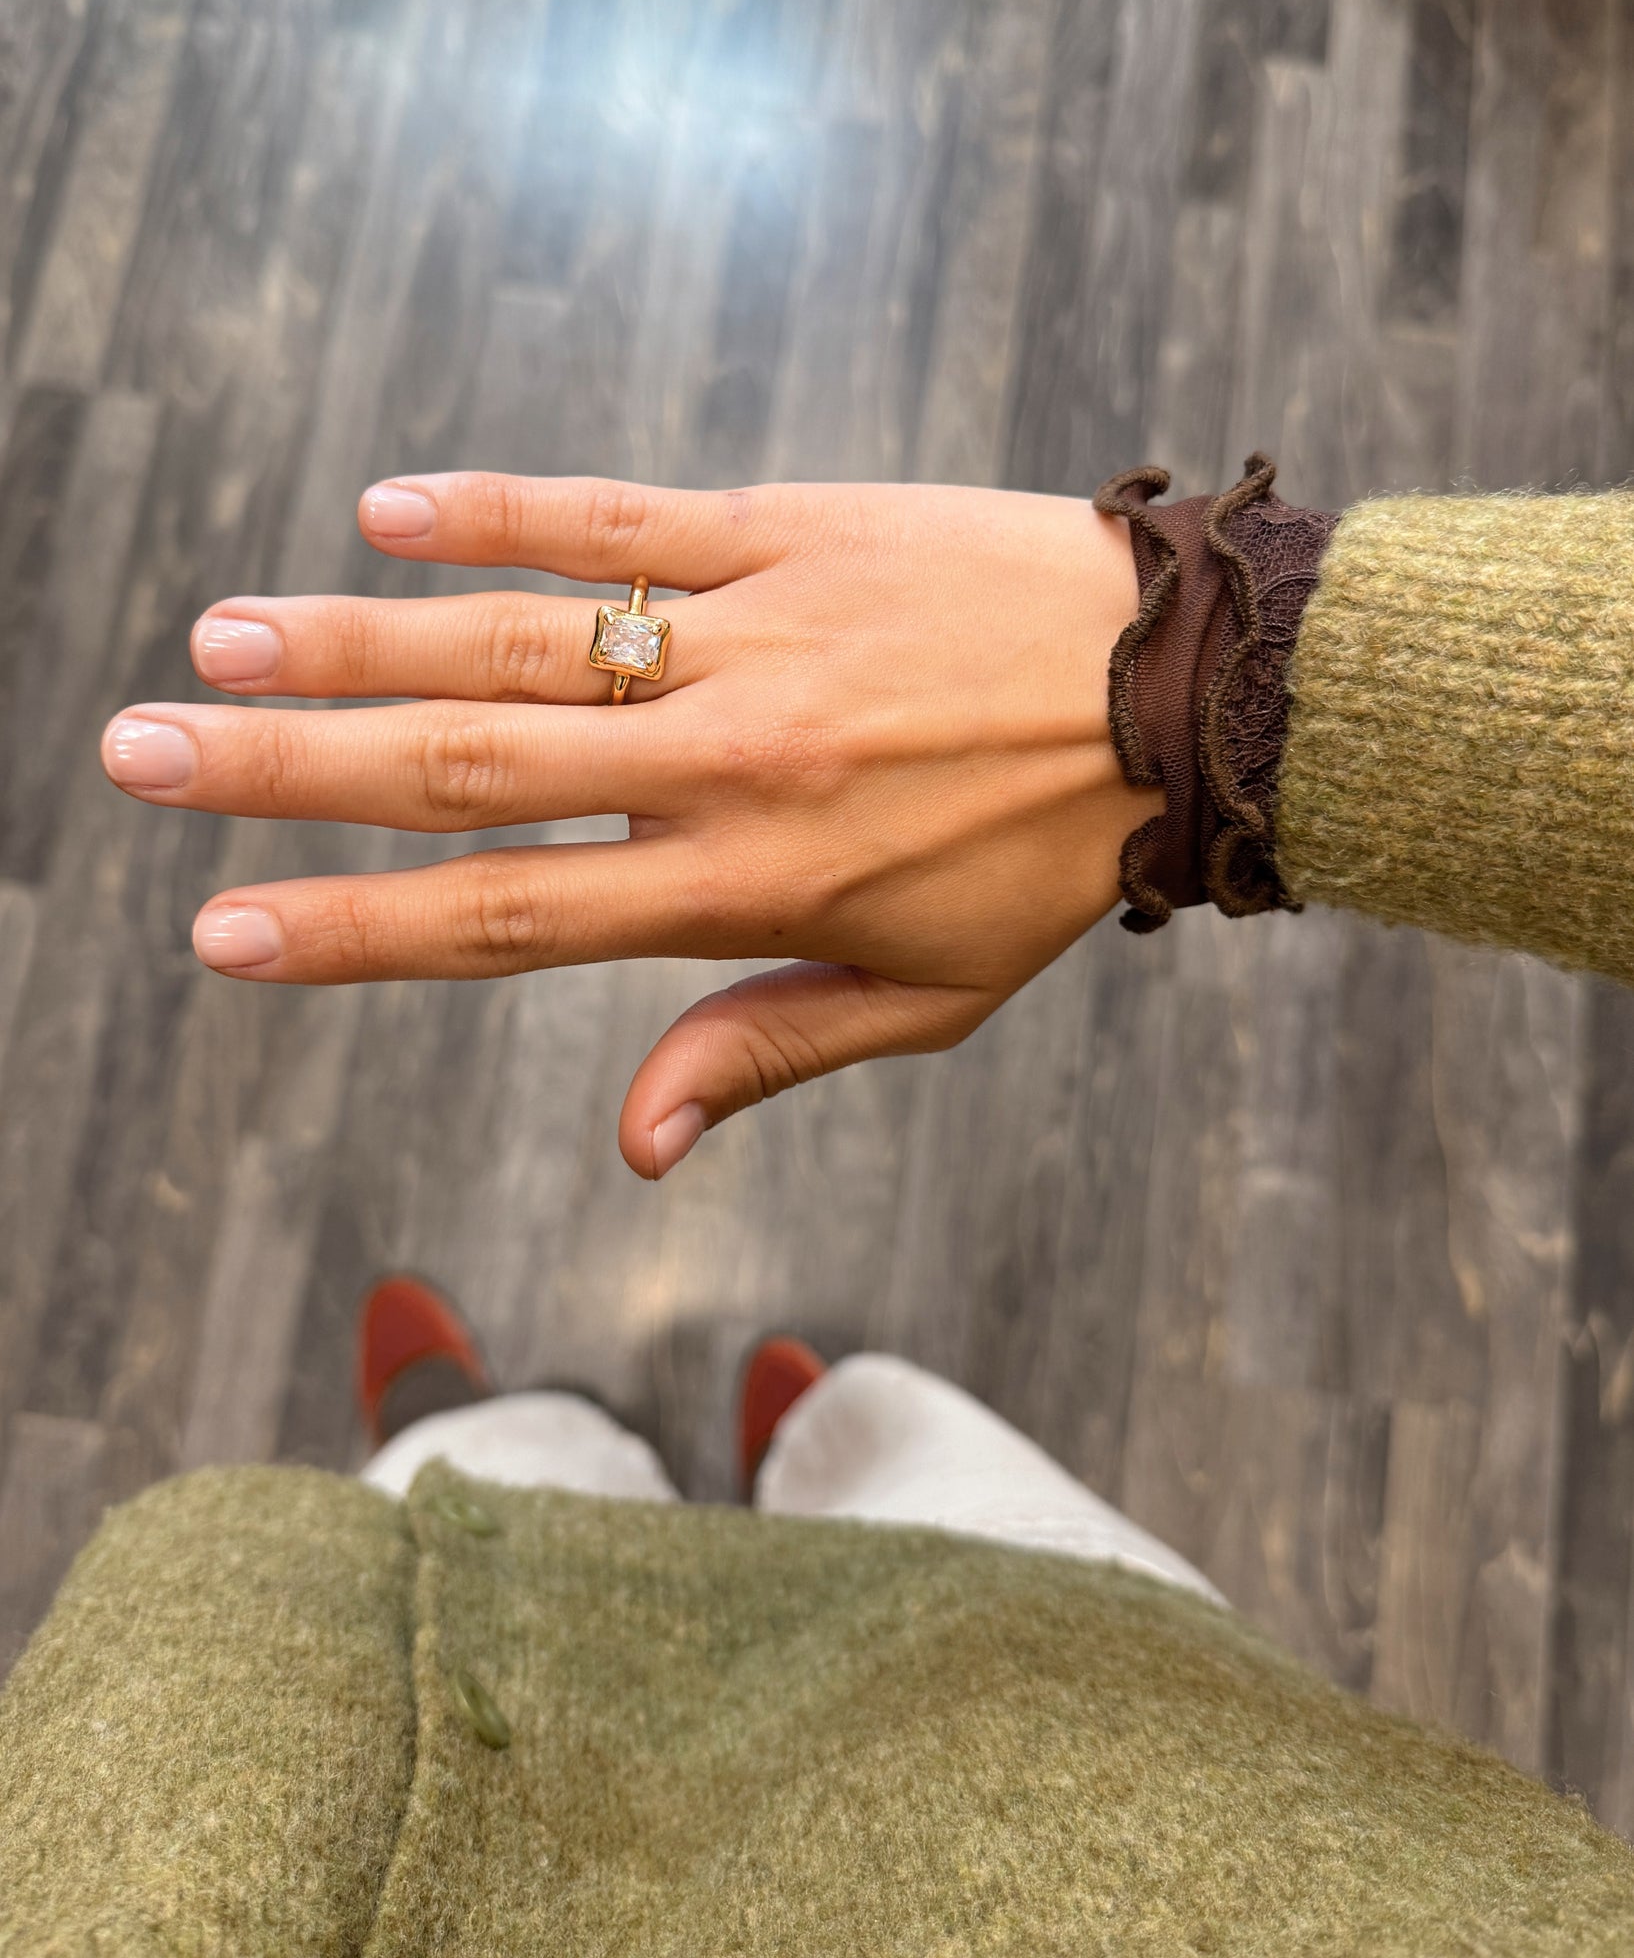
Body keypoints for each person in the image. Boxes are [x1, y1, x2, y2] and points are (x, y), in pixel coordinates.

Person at [7, 457, 1634, 1952]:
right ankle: (795, 1438)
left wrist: (1208, 673)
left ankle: (505, 1435)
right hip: (1088, 1720)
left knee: (485, 1479)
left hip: (351, 1682)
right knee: (893, 1456)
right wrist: (1203, 668)